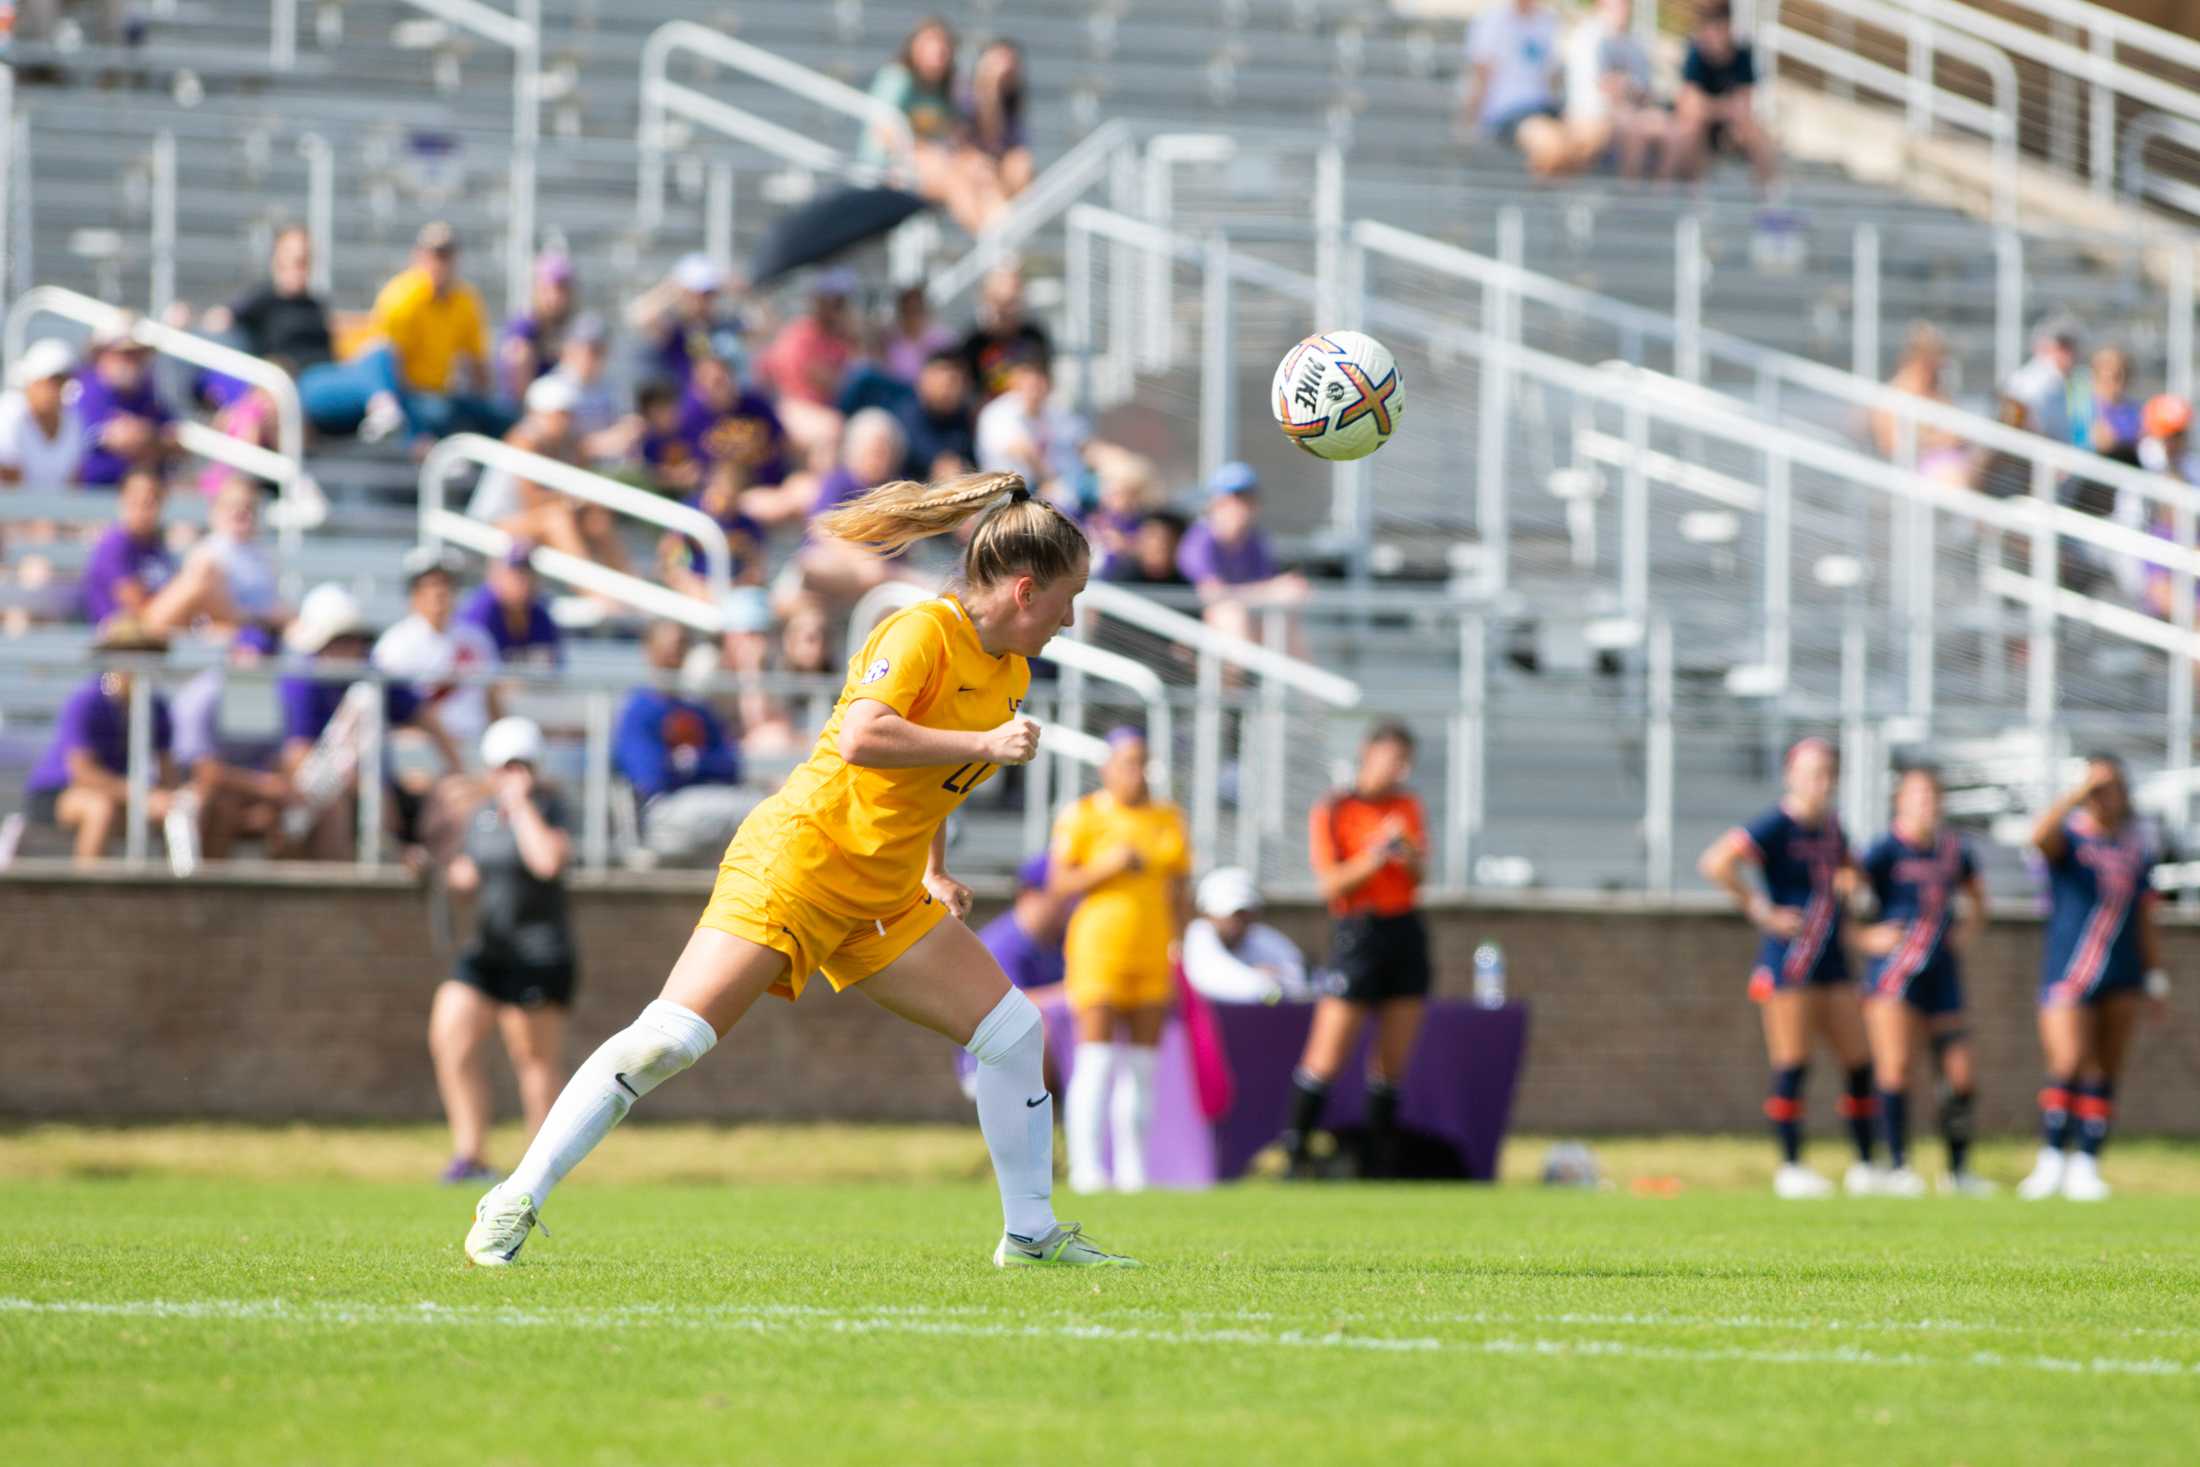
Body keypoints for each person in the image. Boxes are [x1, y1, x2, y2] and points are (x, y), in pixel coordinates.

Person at [464, 468, 1139, 1270]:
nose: (1071, 618)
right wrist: (983, 746)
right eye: (1069, 598)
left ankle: (1028, 1236)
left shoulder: (1011, 671)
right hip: (799, 864)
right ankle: (515, 1197)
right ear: (1026, 590)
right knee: (669, 1041)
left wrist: (933, 867)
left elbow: (927, 784)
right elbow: (863, 738)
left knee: (1013, 1033)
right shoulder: (920, 632)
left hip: (883, 895)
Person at [1699, 738, 1879, 1199]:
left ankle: (1865, 1164)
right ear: (1791, 776)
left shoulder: (1834, 828)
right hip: (1790, 962)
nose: (1821, 782)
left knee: (1859, 1062)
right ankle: (1792, 1165)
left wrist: (1853, 892)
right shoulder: (1776, 825)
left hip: (1832, 960)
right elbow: (1717, 863)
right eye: (1811, 772)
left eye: (1827, 773)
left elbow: (1850, 871)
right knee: (1793, 1062)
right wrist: (1761, 909)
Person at [431, 716, 576, 1185]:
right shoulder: (482, 817)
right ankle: (470, 1154)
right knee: (450, 1034)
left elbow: (546, 860)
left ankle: (541, 1166)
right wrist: (439, 869)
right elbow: (470, 875)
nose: (510, 776)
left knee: (533, 1060)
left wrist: (522, 808)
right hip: (490, 951)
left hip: (539, 952)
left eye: (519, 766)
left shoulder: (551, 809)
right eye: (503, 768)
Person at [1282, 722, 1429, 1179]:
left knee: (1392, 1059)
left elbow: (1420, 875)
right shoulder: (1335, 808)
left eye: (1404, 760)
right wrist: (1376, 856)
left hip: (1403, 930)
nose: (1398, 768)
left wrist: (1407, 856)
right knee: (1327, 1053)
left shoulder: (1407, 806)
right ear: (1368, 755)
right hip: (1358, 932)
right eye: (1391, 757)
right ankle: (1296, 1154)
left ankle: (1376, 1163)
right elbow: (1331, 883)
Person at [2019, 756, 2170, 1202]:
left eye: (2111, 787)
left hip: (2121, 971)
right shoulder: (2069, 839)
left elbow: (2144, 916)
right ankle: (2051, 1158)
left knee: (2105, 1068)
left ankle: (2087, 1161)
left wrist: (2155, 974)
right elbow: (2037, 837)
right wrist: (2076, 794)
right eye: (2097, 788)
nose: (2105, 796)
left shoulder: (2135, 848)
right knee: (2066, 1062)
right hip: (2070, 970)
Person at [1049, 728, 1192, 1195]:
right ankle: (1088, 1169)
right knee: (1097, 1058)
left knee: (1144, 1065)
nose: (1138, 772)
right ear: (1107, 767)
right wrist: (1106, 866)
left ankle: (1134, 1170)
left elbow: (1180, 886)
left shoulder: (1168, 817)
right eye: (1128, 762)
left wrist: (1182, 939)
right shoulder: (1084, 815)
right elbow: (1057, 884)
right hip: (1099, 950)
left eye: (1143, 762)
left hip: (1152, 950)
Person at [1854, 767, 1993, 1197]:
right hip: (1895, 974)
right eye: (1917, 796)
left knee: (1960, 1076)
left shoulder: (1954, 851)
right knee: (1895, 1069)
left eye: (1932, 796)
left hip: (1941, 973)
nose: (1926, 805)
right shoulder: (1883, 850)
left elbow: (1977, 901)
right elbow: (1843, 896)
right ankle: (1896, 1166)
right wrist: (1864, 937)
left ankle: (1958, 1170)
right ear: (1900, 802)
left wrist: (1964, 934)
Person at [297, 222, 513, 442]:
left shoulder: (465, 301)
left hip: (435, 393)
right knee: (436, 413)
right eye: (434, 255)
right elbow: (386, 360)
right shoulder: (403, 296)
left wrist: (483, 402)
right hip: (406, 392)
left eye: (445, 256)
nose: (439, 264)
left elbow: (478, 365)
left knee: (500, 416)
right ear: (419, 256)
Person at [22, 619, 182, 864]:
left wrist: (168, 799)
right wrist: (142, 795)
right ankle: (88, 896)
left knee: (175, 813)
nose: (135, 664)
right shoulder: (89, 701)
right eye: (128, 654)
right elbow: (82, 773)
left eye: (143, 654)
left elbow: (167, 771)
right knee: (100, 810)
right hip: (59, 792)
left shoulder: (156, 707)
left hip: (121, 794)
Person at [614, 620, 751, 864]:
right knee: (754, 812)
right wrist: (692, 767)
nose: (673, 654)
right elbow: (651, 777)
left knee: (761, 808)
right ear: (649, 650)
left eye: (680, 646)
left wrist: (694, 763)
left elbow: (731, 765)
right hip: (660, 815)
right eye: (666, 646)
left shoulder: (696, 708)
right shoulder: (640, 709)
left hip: (704, 802)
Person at [863, 16, 1003, 233]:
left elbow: (957, 136)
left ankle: (1005, 242)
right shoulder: (898, 78)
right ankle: (994, 245)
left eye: (943, 45)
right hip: (891, 169)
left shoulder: (944, 91)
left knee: (980, 169)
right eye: (931, 43)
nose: (938, 51)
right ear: (914, 47)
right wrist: (934, 154)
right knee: (953, 177)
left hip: (933, 165)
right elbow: (885, 132)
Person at [956, 852, 1071, 1098]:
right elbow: (1006, 1008)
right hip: (989, 1065)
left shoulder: (1063, 943)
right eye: (1060, 896)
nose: (1068, 906)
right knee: (1040, 1027)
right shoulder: (1001, 943)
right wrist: (1073, 992)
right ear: (1029, 895)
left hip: (1046, 1063)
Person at [1177, 462, 1309, 651]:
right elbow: (1213, 594)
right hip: (1183, 631)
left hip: (1240, 621)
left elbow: (1262, 587)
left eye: (1248, 499)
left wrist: (1280, 589)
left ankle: (1295, 680)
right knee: (1232, 617)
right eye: (1234, 499)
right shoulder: (1199, 540)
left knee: (1282, 621)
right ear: (1215, 503)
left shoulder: (1255, 541)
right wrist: (1273, 590)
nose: (1242, 507)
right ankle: (1240, 681)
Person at [1664, 1, 1777, 188]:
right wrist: (1724, 106)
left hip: (1729, 127)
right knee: (1691, 128)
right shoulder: (1695, 54)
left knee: (1755, 133)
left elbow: (1743, 107)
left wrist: (1711, 107)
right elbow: (1689, 105)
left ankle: (1768, 197)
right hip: (1702, 126)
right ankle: (1685, 194)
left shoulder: (1742, 55)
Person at [753, 270, 861, 460]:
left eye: (841, 303)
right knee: (832, 429)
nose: (839, 309)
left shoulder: (839, 336)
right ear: (819, 303)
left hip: (826, 408)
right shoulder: (801, 334)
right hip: (795, 406)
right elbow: (826, 380)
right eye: (834, 303)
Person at [207, 225, 336, 375]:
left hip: (324, 373)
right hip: (289, 379)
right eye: (293, 258)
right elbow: (223, 317)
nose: (298, 267)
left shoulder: (314, 305)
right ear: (278, 258)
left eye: (304, 260)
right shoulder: (263, 297)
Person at [1558, 0, 1661, 178]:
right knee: (1633, 129)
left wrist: (1628, 88)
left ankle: (1661, 195)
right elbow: (1607, 87)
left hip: (1624, 113)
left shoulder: (1634, 40)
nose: (1623, 9)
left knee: (1677, 133)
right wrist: (1629, 89)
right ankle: (1631, 195)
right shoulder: (1588, 37)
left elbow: (1644, 91)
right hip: (1591, 116)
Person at [1460, 0, 1565, 173]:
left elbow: (1551, 77)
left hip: (1542, 108)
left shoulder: (1548, 20)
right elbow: (1481, 76)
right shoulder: (1492, 19)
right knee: (1551, 145)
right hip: (1506, 111)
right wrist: (1469, 121)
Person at [1181, 865, 1309, 1005]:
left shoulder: (1263, 937)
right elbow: (1209, 981)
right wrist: (1268, 984)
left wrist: (1272, 988)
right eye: (1231, 913)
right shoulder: (1196, 936)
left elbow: (1298, 983)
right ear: (1207, 913)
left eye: (1245, 912)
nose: (1238, 920)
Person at [74, 319, 175, 487]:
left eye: (139, 354)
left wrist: (148, 437)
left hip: (138, 500)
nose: (134, 361)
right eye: (125, 353)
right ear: (101, 354)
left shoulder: (144, 392)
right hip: (89, 500)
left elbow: (172, 437)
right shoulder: (81, 389)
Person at [1872, 323, 1974, 489]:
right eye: (1936, 355)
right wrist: (1936, 440)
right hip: (1915, 469)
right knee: (1951, 475)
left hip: (1951, 464)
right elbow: (1891, 445)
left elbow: (1958, 432)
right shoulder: (1896, 393)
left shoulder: (1937, 389)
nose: (1941, 363)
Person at [974, 352, 1087, 497]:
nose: (1033, 386)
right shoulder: (997, 413)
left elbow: (1084, 444)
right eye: (1026, 379)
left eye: (1038, 378)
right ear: (1013, 381)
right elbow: (1023, 451)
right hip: (1010, 492)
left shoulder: (1057, 411)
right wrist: (1051, 482)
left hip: (1062, 481)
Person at [626, 253, 738, 390]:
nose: (703, 300)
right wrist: (671, 289)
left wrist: (743, 291)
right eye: (697, 294)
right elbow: (638, 316)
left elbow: (764, 329)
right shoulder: (671, 328)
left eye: (709, 294)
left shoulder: (723, 326)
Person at [78, 468, 174, 624]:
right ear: (122, 500)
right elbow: (138, 606)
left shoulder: (156, 545)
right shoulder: (114, 545)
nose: (143, 509)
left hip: (156, 631)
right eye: (136, 501)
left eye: (151, 502)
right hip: (122, 634)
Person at [456, 543, 563, 671]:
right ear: (496, 577)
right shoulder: (481, 614)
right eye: (515, 575)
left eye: (526, 573)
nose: (523, 582)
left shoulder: (539, 614)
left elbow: (553, 667)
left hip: (530, 689)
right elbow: (476, 676)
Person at [0, 339, 86, 489]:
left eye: (66, 379)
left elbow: (74, 483)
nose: (61, 387)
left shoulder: (74, 420)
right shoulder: (8, 412)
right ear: (32, 382)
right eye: (54, 380)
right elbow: (9, 482)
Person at [959, 265, 1052, 402]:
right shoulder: (974, 343)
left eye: (1012, 301)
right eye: (999, 301)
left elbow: (1044, 380)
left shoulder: (1034, 337)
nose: (1006, 309)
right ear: (987, 299)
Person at [959, 38, 1034, 207]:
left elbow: (1004, 145)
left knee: (1020, 165)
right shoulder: (965, 97)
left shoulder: (1012, 103)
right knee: (982, 172)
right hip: (970, 166)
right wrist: (990, 89)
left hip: (997, 164)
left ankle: (1016, 225)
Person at [496, 250, 577, 406]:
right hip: (523, 410)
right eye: (549, 289)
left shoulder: (568, 327)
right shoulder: (524, 327)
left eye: (562, 289)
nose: (555, 297)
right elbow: (519, 388)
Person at [896, 350, 978, 480]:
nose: (949, 390)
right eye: (946, 382)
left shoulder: (965, 417)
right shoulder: (906, 417)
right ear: (924, 380)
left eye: (956, 382)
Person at [2001, 313, 2081, 447]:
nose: (2068, 354)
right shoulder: (2035, 380)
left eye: (2070, 347)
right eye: (2062, 347)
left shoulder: (2058, 382)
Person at [2070, 344, 2141, 459]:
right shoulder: (2079, 406)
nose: (2120, 382)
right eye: (2115, 376)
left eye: (2125, 374)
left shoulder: (2133, 410)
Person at [881, 285, 956, 385]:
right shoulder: (890, 343)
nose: (913, 316)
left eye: (917, 309)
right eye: (908, 311)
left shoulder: (944, 340)